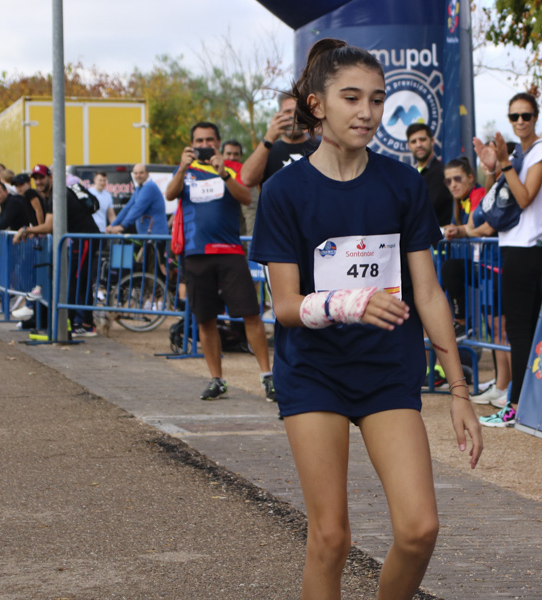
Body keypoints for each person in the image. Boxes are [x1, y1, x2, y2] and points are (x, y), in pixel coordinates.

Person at [249, 39, 482, 599]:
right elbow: (284, 307)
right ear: (317, 105)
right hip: (314, 375)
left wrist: (458, 390)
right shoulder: (284, 191)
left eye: (377, 99)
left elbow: (427, 292)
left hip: (386, 373)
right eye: (351, 98)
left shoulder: (401, 183)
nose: (368, 112)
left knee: (420, 528)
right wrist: (348, 302)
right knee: (330, 538)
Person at [165, 121, 276, 401]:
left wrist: (223, 172)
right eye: (199, 141)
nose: (205, 146)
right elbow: (170, 194)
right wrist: (181, 166)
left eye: (210, 140)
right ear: (192, 144)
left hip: (229, 252)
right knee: (205, 319)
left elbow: (245, 198)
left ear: (218, 142)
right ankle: (217, 379)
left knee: (250, 313)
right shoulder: (186, 169)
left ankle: (267, 377)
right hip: (195, 255)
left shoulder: (232, 168)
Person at [472, 92, 542, 428]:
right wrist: (494, 169)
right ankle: (524, 406)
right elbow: (499, 202)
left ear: (536, 117)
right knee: (522, 333)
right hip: (516, 249)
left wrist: (505, 163)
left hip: (527, 251)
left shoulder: (540, 150)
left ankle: (516, 408)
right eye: (514, 117)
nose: (520, 121)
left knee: (520, 333)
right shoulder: (522, 154)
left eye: (525, 115)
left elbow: (523, 199)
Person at [439, 157, 512, 407]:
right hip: (486, 267)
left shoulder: (481, 192)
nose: (452, 185)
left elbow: (477, 226)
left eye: (457, 179)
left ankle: (509, 388)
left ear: (471, 178)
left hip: (495, 265)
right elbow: (468, 226)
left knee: (500, 331)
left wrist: (461, 231)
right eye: (448, 181)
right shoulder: (461, 201)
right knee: (495, 331)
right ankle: (502, 384)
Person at [15, 164, 102, 337]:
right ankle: (71, 323)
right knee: (75, 281)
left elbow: (48, 227)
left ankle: (85, 324)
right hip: (80, 240)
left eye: (41, 177)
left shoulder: (57, 194)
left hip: (86, 239)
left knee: (78, 281)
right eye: (36, 179)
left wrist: (25, 230)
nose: (39, 182)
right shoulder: (51, 196)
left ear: (50, 177)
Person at [240, 93, 321, 236]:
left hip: (315, 229)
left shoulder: (320, 147)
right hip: (278, 232)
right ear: (278, 116)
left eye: (298, 112)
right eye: (288, 112)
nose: (293, 117)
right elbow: (247, 179)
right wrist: (269, 138)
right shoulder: (267, 149)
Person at [406, 123, 454, 227]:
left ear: (432, 141)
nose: (418, 145)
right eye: (413, 141)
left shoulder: (441, 172)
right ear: (409, 146)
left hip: (437, 240)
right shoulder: (411, 174)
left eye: (422, 139)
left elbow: (429, 207)